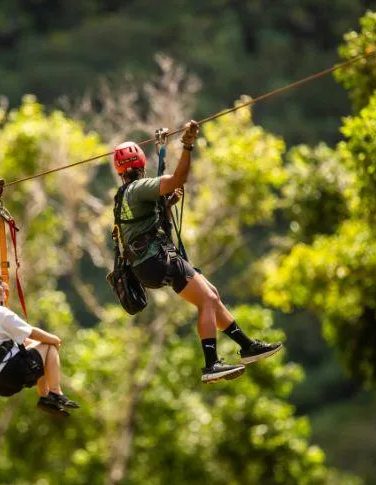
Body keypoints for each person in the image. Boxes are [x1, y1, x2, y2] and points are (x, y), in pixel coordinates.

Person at [112, 121, 282, 383]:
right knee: (205, 300)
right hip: (157, 258)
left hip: (146, 266)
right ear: (140, 164)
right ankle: (211, 364)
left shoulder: (124, 195)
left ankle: (246, 346)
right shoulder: (140, 189)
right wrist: (187, 145)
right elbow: (178, 179)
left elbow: (148, 222)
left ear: (120, 171)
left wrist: (167, 204)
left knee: (211, 296)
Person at [0, 265, 80, 416]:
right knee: (49, 345)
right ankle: (54, 393)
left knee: (37, 349)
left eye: (1, 283)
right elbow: (31, 332)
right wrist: (55, 339)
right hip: (9, 373)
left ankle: (46, 397)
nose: (1, 287)